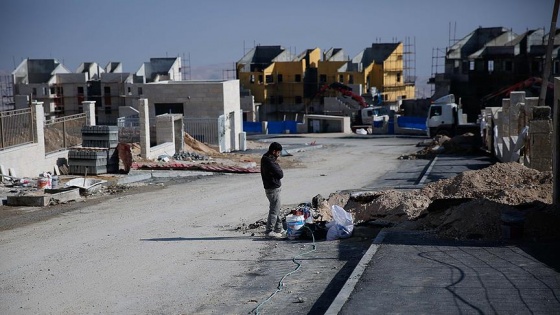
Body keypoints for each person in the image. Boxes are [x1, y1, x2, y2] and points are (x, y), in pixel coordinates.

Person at [260, 142, 286, 238]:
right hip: (272, 188)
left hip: (272, 187)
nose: (279, 155)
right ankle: (269, 231)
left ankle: (279, 228)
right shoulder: (269, 161)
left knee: (277, 208)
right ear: (274, 151)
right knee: (274, 210)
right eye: (278, 152)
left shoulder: (266, 158)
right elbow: (280, 174)